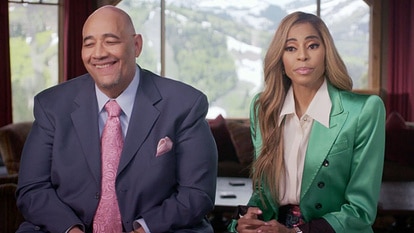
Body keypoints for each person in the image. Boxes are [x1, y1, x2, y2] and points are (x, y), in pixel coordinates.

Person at [16, 5, 218, 233]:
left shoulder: (186, 104)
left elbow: (196, 193)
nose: (99, 53)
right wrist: (70, 230)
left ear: (137, 45)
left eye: (111, 41)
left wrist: (143, 230)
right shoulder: (51, 105)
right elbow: (32, 188)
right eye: (89, 43)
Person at [228, 11, 385, 233]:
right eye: (291, 48)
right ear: (280, 58)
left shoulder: (364, 110)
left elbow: (361, 210)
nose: (302, 56)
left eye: (312, 45)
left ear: (326, 52)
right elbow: (264, 193)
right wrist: (247, 220)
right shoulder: (263, 108)